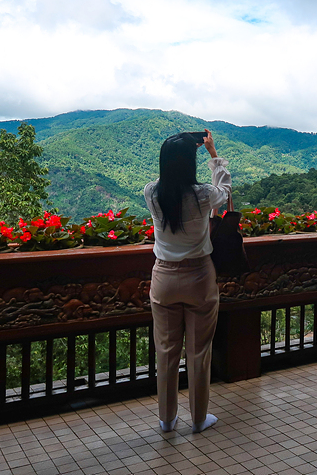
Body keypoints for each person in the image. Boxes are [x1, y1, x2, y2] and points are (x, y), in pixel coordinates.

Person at [143, 129, 230, 433]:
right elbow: (225, 191)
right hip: (199, 277)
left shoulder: (151, 193)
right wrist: (213, 154)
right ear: (189, 164)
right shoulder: (203, 195)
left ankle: (167, 420)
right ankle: (198, 419)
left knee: (166, 351)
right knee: (198, 351)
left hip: (164, 277)